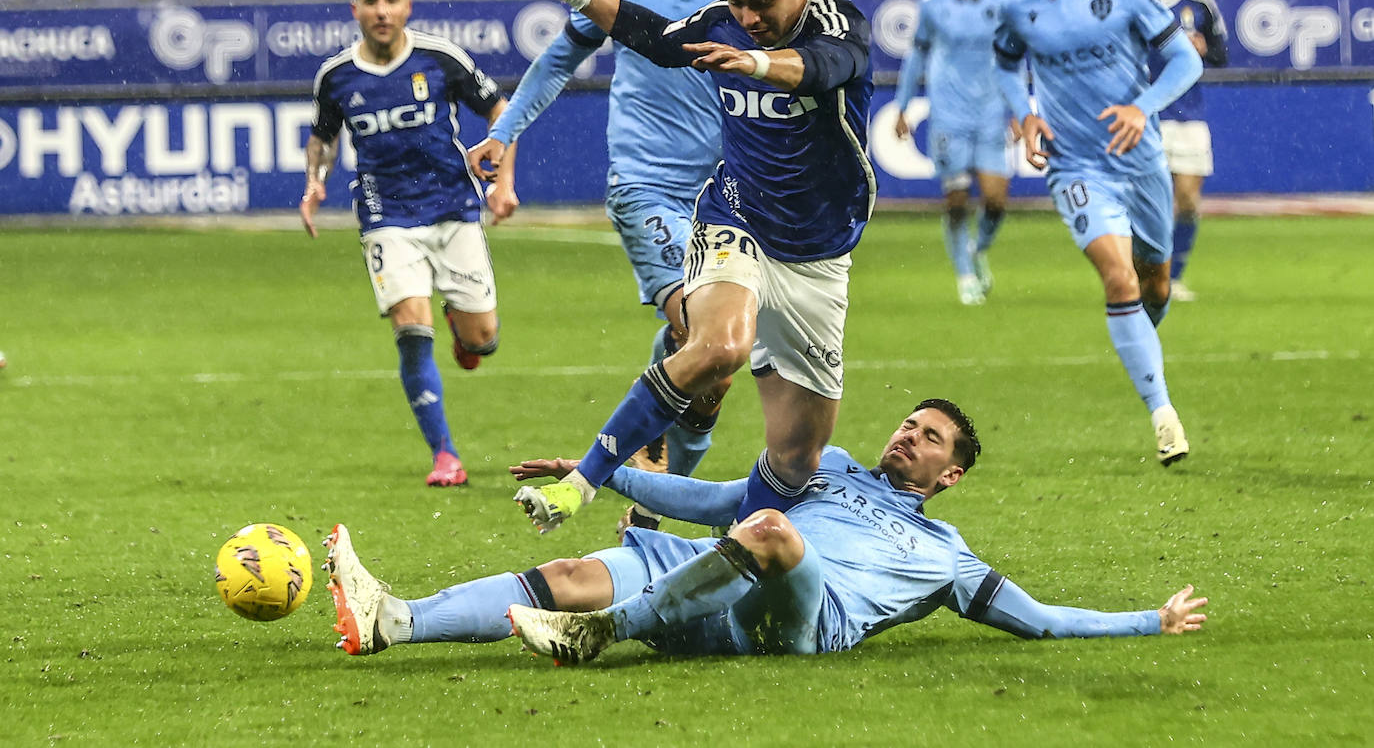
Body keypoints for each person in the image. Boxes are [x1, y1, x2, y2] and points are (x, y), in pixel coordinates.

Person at [492, 0, 874, 533]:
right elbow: (659, 37)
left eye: (762, 2)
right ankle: (582, 483)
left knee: (796, 461)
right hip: (737, 218)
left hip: (819, 253)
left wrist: (753, 63)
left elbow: (829, 66)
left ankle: (693, 544)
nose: (748, 19)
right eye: (737, 3)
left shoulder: (835, 18)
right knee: (720, 347)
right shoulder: (722, 21)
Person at [321, 400, 1209, 661]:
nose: (908, 436)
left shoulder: (948, 557)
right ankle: (395, 618)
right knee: (567, 568)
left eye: (929, 438)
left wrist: (1149, 620)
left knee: (779, 532)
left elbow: (1046, 618)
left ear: (952, 474)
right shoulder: (831, 464)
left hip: (798, 621)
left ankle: (605, 635)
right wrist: (596, 474)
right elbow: (716, 504)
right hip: (715, 573)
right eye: (908, 424)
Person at [467, 0, 729, 535]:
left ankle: (652, 486)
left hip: (728, 196)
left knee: (716, 369)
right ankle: (626, 484)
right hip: (646, 184)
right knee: (698, 332)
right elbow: (560, 59)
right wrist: (506, 132)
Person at [993, 0, 1203, 467]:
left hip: (1139, 161)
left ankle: (1142, 350)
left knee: (1153, 285)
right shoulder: (1018, 5)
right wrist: (1026, 112)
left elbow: (1187, 60)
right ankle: (1163, 415)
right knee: (1118, 278)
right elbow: (1007, 63)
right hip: (1075, 165)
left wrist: (1144, 107)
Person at [300, 0, 518, 487]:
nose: (381, 12)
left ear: (406, 7)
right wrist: (315, 181)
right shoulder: (336, 77)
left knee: (483, 338)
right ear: (355, 11)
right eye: (370, 2)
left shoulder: (440, 59)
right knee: (410, 325)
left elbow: (500, 108)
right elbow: (324, 136)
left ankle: (464, 332)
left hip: (452, 209)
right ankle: (445, 455)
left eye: (390, 1)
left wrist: (504, 182)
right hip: (386, 215)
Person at [894, 0, 1010, 306]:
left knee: (995, 201)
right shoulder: (933, 4)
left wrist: (1021, 112)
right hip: (948, 117)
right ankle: (964, 275)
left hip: (991, 114)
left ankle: (978, 250)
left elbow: (1013, 58)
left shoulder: (1001, 4)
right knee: (957, 201)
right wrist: (902, 106)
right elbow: (917, 56)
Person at [1142, 0, 1228, 302]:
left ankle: (1173, 277)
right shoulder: (1135, 2)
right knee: (1150, 202)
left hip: (1189, 115)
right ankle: (1145, 273)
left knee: (1189, 201)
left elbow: (1222, 54)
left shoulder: (1199, 4)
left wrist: (1206, 50)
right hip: (1146, 115)